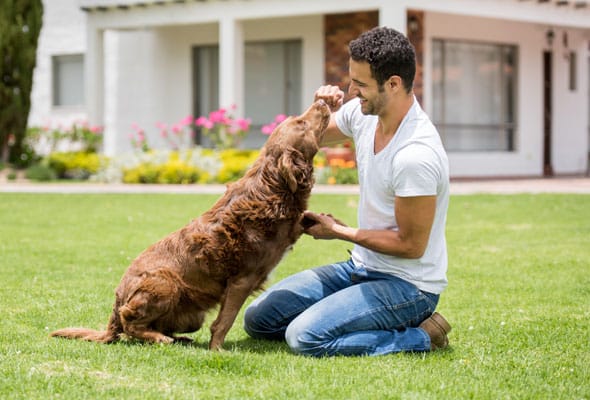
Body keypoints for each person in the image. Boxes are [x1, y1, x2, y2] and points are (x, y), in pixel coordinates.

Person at [243, 26, 451, 357]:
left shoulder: (415, 154)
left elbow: (411, 246)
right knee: (259, 320)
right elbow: (311, 137)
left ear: (393, 84)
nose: (352, 91)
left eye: (361, 84)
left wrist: (338, 231)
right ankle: (349, 314)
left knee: (304, 337)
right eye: (352, 80)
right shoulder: (365, 114)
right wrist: (318, 110)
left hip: (408, 286)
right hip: (360, 268)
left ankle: (423, 335)